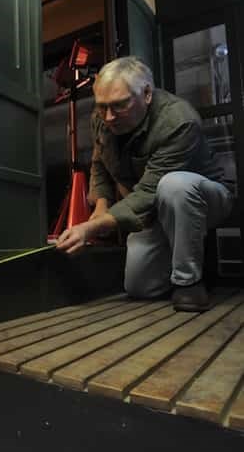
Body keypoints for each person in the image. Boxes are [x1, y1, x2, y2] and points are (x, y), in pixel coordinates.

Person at [56, 56, 233, 311]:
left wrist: (90, 228)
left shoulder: (179, 121)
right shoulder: (103, 118)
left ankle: (189, 283)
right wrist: (101, 207)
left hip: (205, 200)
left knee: (174, 186)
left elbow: (151, 190)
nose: (108, 117)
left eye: (119, 105)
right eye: (101, 106)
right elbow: (100, 163)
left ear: (147, 94)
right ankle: (180, 255)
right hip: (153, 211)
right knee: (140, 287)